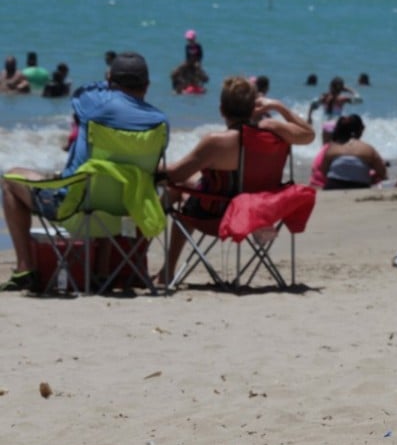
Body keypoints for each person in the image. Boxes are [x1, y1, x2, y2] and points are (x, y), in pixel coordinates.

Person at [1, 52, 168, 291]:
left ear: (110, 81)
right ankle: (100, 272)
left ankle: (25, 267)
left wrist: (107, 82)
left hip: (75, 209)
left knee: (10, 179)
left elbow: (80, 92)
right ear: (148, 86)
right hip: (128, 212)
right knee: (110, 175)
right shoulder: (160, 123)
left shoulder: (92, 109)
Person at [153, 76, 314, 283]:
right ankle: (157, 264)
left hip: (218, 217)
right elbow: (309, 135)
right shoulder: (274, 133)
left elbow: (176, 174)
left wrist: (149, 167)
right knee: (189, 185)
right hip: (259, 213)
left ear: (221, 109)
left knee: (178, 190)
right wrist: (279, 107)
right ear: (253, 108)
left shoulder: (216, 143)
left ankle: (157, 262)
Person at [320, 115, 388, 190]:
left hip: (333, 185)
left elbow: (323, 171)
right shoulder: (367, 149)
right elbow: (382, 172)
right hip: (360, 185)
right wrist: (370, 178)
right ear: (360, 130)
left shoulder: (333, 148)